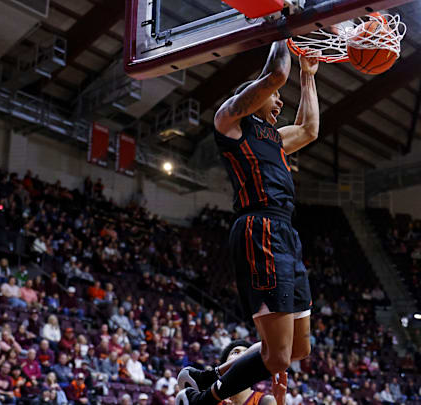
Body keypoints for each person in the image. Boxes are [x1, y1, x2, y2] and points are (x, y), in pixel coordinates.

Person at [176, 39, 320, 405]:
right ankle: (203, 399)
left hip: (286, 232)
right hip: (260, 230)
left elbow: (309, 129)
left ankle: (205, 377)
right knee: (278, 356)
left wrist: (308, 75)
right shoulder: (230, 122)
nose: (281, 101)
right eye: (275, 97)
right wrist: (285, 30)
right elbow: (274, 74)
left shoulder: (273, 136)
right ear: (254, 97)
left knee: (300, 348)